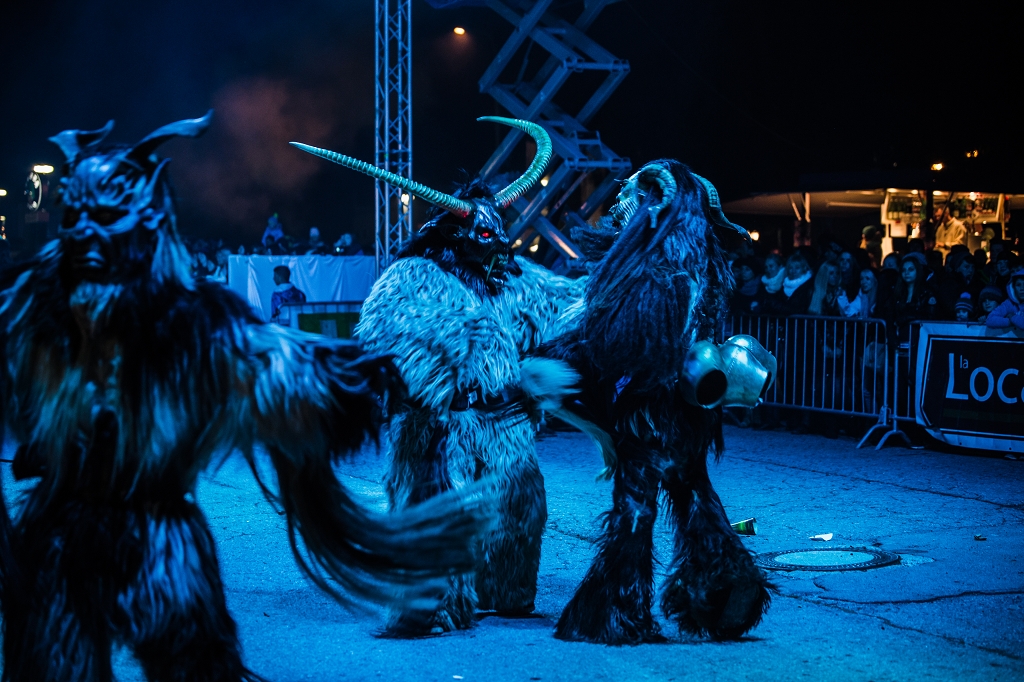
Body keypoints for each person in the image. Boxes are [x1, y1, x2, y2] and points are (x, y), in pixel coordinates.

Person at [0, 113, 488, 681]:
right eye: (75, 219)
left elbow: (268, 363)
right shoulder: (30, 314)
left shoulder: (193, 323)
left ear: (146, 221)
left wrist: (349, 376)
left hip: (159, 532)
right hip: (60, 536)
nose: (87, 236)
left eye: (104, 219)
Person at [296, 117, 586, 636]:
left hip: (505, 424)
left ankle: (507, 591)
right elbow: (386, 338)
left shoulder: (515, 279)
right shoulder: (412, 278)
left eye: (501, 235)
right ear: (459, 235)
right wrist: (453, 359)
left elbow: (568, 306)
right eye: (487, 237)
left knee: (522, 504)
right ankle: (436, 603)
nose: (500, 246)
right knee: (440, 511)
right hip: (440, 425)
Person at [535, 161, 772, 644]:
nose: (620, 205)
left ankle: (617, 611)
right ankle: (724, 584)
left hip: (648, 411)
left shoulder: (652, 271)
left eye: (630, 196)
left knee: (636, 508)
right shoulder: (697, 264)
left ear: (656, 203)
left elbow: (614, 344)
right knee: (693, 490)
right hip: (689, 411)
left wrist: (561, 357)